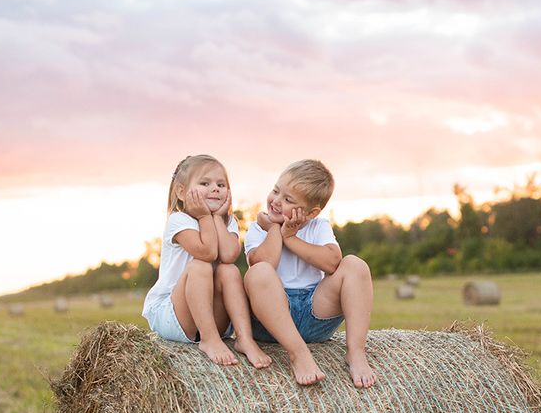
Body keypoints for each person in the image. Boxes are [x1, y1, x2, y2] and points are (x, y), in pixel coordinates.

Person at [244, 159, 376, 387]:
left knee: (355, 265)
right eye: (276, 191)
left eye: (288, 200)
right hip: (272, 321)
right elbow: (263, 262)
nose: (276, 201)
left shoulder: (318, 227)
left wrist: (291, 238)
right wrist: (275, 229)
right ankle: (298, 354)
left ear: (311, 212)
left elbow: (333, 262)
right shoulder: (258, 228)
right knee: (259, 273)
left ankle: (356, 351)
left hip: (314, 314)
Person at [142, 155, 271, 369]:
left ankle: (244, 338)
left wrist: (218, 220)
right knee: (200, 266)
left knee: (228, 270)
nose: (215, 189)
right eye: (205, 183)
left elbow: (229, 256)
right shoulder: (179, 220)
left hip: (211, 314)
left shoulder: (228, 221)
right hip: (173, 314)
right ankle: (209, 340)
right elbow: (207, 252)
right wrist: (204, 218)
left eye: (221, 185)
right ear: (182, 192)